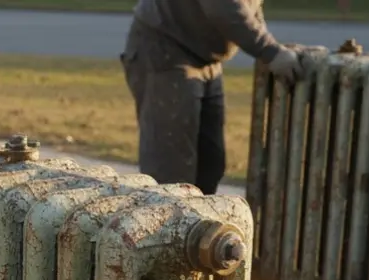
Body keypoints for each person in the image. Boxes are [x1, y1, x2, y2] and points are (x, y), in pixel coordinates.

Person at [121, 0, 303, 196]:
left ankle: (197, 222)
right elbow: (223, 8)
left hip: (205, 56)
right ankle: (165, 225)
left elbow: (250, 6)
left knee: (210, 163)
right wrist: (270, 51)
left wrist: (271, 47)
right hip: (166, 47)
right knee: (171, 171)